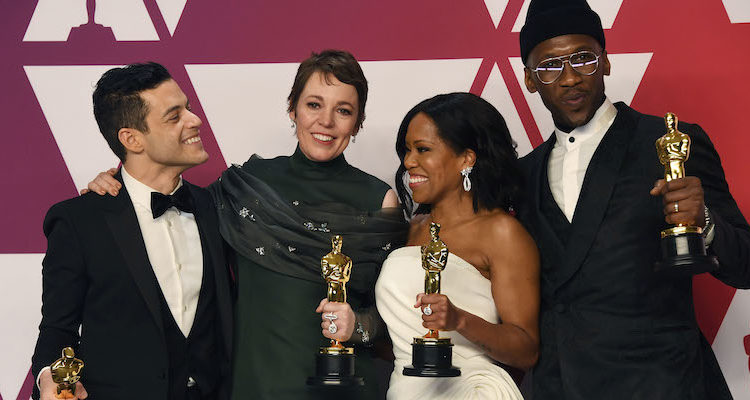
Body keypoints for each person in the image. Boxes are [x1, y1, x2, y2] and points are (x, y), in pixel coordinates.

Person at [86, 50, 408, 399]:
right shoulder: (247, 185)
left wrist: (358, 326)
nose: (326, 121)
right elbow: (168, 206)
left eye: (343, 110)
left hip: (343, 385)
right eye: (314, 104)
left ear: (357, 122)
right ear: (292, 109)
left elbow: (397, 316)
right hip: (255, 383)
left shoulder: (380, 200)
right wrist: (116, 184)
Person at [516, 0, 750, 398]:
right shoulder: (523, 174)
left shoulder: (669, 142)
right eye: (550, 66)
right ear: (530, 80)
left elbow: (746, 266)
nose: (570, 77)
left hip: (662, 384)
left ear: (605, 62)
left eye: (584, 58)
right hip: (561, 387)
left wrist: (705, 222)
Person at [31, 62, 234, 400]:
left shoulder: (217, 207)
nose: (195, 120)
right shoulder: (79, 221)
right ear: (132, 139)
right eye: (174, 116)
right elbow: (57, 328)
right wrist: (49, 377)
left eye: (189, 107)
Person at [375, 92, 540, 399]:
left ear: (466, 158)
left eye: (422, 149)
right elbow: (403, 342)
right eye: (407, 150)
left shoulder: (501, 232)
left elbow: (526, 349)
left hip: (473, 391)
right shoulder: (408, 231)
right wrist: (355, 329)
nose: (409, 161)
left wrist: (459, 320)